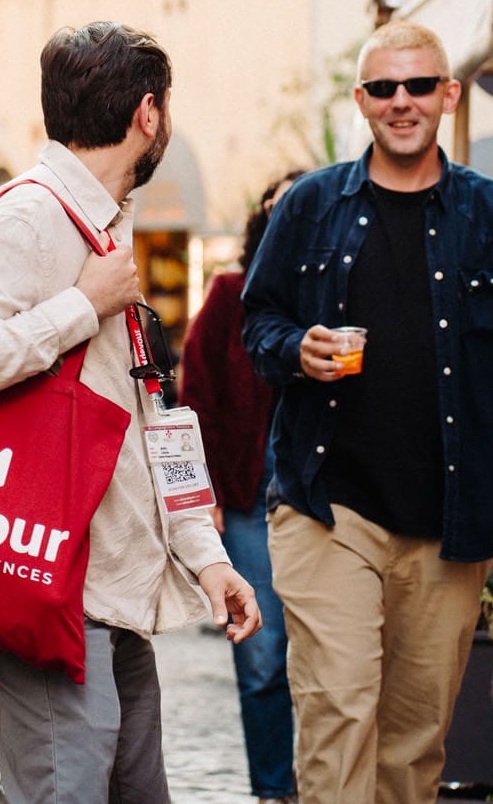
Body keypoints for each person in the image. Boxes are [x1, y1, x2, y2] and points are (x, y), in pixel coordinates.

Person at [241, 21, 493, 804]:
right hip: (328, 506)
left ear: (448, 95)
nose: (403, 103)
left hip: (450, 517)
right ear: (362, 100)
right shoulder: (309, 208)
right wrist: (298, 349)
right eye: (384, 88)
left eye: (419, 86)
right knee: (338, 712)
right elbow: (256, 323)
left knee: (415, 743)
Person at [0, 21, 262, 803]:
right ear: (149, 114)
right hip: (49, 577)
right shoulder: (28, 216)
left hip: (113, 581)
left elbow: (149, 421)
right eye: (167, 108)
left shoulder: (106, 218)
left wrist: (205, 554)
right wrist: (81, 305)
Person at [179, 169, 304, 804]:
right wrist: (208, 496)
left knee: (329, 654)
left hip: (329, 500)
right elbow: (194, 398)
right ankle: (275, 791)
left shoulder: (343, 303)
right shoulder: (231, 294)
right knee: (262, 655)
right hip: (249, 497)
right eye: (278, 208)